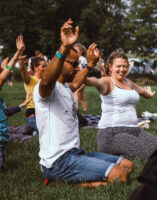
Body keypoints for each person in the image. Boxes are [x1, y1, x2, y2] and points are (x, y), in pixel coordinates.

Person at [33, 19, 133, 186]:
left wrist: (91, 64)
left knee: (128, 166)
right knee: (120, 176)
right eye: (74, 64)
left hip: (75, 153)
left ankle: (69, 179)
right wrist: (64, 48)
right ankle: (60, 181)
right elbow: (45, 81)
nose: (78, 68)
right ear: (60, 62)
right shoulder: (46, 89)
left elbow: (76, 83)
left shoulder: (64, 87)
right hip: (58, 161)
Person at [85, 50, 157, 159]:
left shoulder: (128, 82)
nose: (122, 69)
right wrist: (89, 65)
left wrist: (149, 95)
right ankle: (112, 156)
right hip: (111, 133)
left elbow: (142, 92)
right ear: (110, 67)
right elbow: (91, 81)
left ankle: (119, 155)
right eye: (118, 66)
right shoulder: (107, 82)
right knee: (145, 155)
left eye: (125, 66)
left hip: (135, 130)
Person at [0, 42, 24, 173]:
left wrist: (22, 105)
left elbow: (5, 113)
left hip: (1, 139)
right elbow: (2, 79)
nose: (2, 82)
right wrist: (15, 57)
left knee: (1, 169)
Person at [17, 36, 46, 133]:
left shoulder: (45, 80)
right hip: (34, 115)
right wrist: (20, 58)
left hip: (44, 114)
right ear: (35, 67)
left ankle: (32, 131)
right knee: (47, 132)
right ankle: (32, 131)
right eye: (43, 66)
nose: (45, 68)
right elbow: (22, 71)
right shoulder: (30, 80)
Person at [73, 43, 88, 112]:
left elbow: (83, 69)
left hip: (80, 79)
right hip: (82, 79)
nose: (74, 51)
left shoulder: (81, 59)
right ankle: (85, 109)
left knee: (75, 92)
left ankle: (75, 110)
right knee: (82, 95)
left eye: (76, 50)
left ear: (81, 51)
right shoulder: (83, 59)